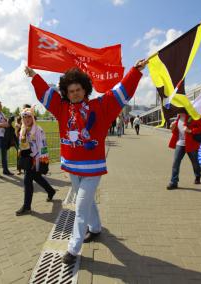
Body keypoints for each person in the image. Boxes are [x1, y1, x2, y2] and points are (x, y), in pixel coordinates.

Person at [25, 59, 147, 264]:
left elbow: (121, 92)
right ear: (66, 92)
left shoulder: (100, 106)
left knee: (80, 206)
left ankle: (73, 248)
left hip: (93, 168)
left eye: (78, 89)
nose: (75, 94)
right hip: (72, 167)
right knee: (87, 201)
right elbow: (46, 94)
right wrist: (34, 76)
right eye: (71, 91)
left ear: (85, 89)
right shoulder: (61, 108)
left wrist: (135, 71)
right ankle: (96, 228)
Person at [15, 107, 56, 216]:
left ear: (32, 117)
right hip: (28, 159)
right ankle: (51, 191)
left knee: (27, 181)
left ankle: (27, 207)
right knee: (37, 178)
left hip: (36, 160)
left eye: (29, 117)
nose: (27, 119)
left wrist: (44, 161)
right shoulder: (23, 129)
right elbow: (22, 144)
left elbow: (43, 146)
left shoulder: (38, 130)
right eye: (24, 117)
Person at [167, 111, 201, 190]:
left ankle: (197, 175)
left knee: (195, 162)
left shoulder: (193, 117)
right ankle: (174, 182)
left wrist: (191, 131)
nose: (177, 110)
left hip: (191, 144)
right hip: (180, 143)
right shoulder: (178, 118)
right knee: (176, 162)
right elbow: (177, 132)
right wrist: (172, 127)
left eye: (178, 108)